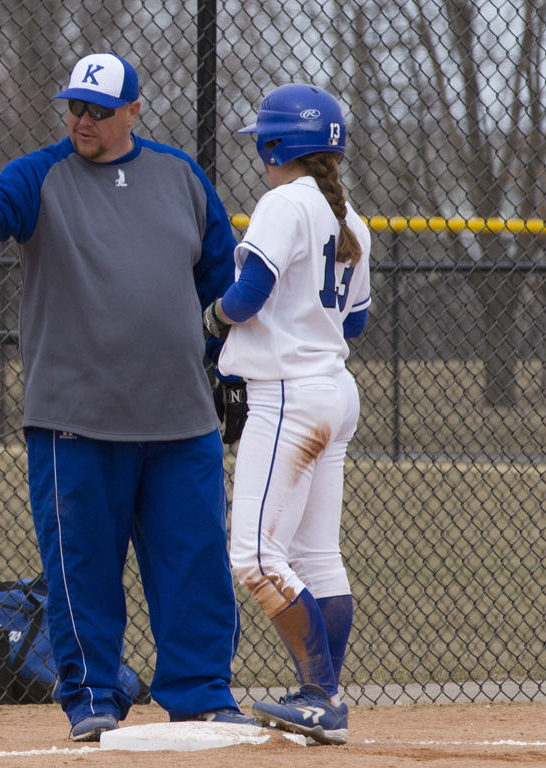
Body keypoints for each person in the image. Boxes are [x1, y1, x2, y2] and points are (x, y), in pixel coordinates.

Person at [0, 52, 256, 741]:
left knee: (195, 563)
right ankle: (91, 698)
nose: (81, 120)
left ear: (133, 112)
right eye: (74, 107)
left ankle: (202, 692)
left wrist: (228, 365)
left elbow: (219, 282)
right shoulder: (42, 175)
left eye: (97, 109)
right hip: (76, 422)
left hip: (179, 420)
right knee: (82, 571)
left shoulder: (180, 176)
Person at [202, 83, 371, 746]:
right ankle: (321, 695)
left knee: (255, 557)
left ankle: (321, 696)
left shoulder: (283, 202)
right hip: (334, 389)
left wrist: (211, 321)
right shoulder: (350, 218)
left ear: (276, 146)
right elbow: (352, 320)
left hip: (288, 396)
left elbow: (246, 296)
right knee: (316, 555)